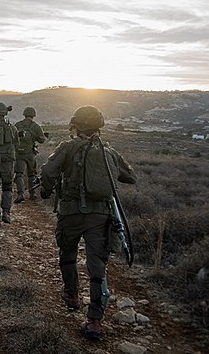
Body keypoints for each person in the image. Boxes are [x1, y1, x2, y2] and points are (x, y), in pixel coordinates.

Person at [39, 105, 136, 340]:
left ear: (76, 125)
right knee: (97, 267)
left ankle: (71, 295)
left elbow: (49, 172)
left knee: (68, 254)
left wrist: (45, 191)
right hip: (100, 217)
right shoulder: (108, 152)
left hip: (71, 214)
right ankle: (94, 321)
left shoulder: (67, 147)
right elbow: (130, 177)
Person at [13, 106, 47, 203]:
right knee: (31, 174)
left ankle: (20, 194)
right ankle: (32, 194)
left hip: (19, 153)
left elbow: (13, 137)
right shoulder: (36, 126)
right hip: (30, 154)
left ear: (24, 114)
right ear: (33, 115)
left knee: (19, 174)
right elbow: (42, 140)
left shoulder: (18, 125)